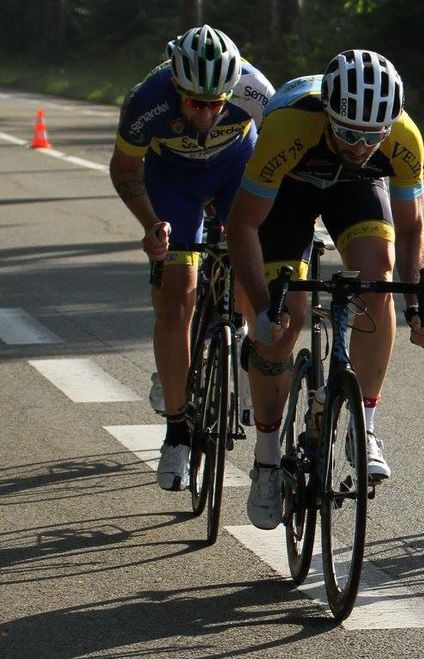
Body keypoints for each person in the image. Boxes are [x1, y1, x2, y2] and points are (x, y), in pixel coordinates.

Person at [226, 49, 424, 530]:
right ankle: (264, 459)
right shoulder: (288, 126)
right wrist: (261, 308)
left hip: (354, 190)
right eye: (348, 133)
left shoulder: (403, 137)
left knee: (378, 277)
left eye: (373, 136)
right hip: (288, 192)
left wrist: (416, 300)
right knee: (285, 320)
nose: (361, 146)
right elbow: (242, 226)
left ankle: (363, 426)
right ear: (328, 114)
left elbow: (411, 230)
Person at [109, 25, 274, 492]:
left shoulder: (257, 92)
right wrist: (150, 224)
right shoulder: (147, 100)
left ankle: (241, 340)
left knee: (249, 262)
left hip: (235, 171)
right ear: (176, 87)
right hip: (172, 183)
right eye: (194, 102)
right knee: (176, 296)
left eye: (215, 103)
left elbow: (283, 157)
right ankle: (177, 431)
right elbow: (125, 169)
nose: (205, 112)